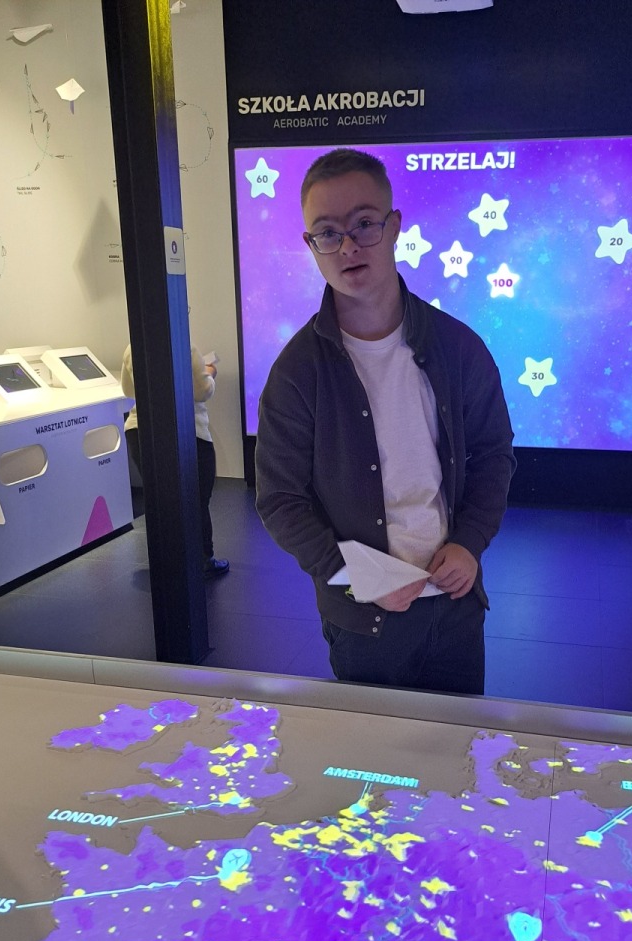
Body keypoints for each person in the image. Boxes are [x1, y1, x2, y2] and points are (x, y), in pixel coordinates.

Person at [255, 147, 514, 694]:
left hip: (456, 604)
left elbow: (494, 453)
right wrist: (356, 575)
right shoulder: (297, 371)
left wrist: (469, 541)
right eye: (327, 232)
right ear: (311, 245)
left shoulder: (458, 347)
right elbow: (279, 499)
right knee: (372, 749)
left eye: (364, 224)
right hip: (364, 619)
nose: (348, 246)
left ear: (394, 227)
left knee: (457, 744)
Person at [121, 343, 229, 579]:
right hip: (187, 431)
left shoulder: (133, 347)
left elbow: (128, 390)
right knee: (197, 498)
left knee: (161, 500)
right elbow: (202, 391)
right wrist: (210, 372)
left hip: (140, 430)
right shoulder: (185, 347)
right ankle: (203, 559)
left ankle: (167, 560)